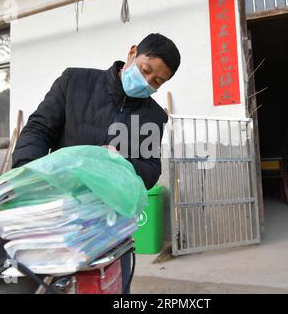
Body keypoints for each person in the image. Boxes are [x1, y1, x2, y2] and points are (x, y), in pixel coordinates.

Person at [11, 33, 181, 293]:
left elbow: (151, 168)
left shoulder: (154, 116)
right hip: (60, 214)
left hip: (112, 226)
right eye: (145, 70)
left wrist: (119, 164)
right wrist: (30, 175)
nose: (147, 82)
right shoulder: (75, 82)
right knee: (55, 285)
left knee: (110, 285)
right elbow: (38, 129)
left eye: (157, 81)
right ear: (132, 52)